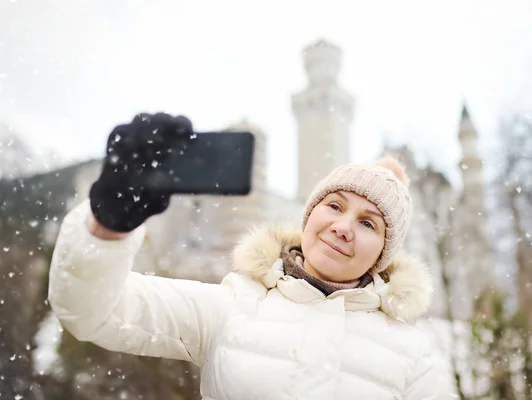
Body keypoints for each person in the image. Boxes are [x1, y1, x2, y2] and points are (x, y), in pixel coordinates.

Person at [48, 112, 446, 399]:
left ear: (383, 253)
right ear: (310, 213)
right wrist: (108, 224)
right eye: (336, 206)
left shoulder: (413, 354)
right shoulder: (233, 305)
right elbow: (94, 312)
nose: (343, 227)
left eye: (369, 223)